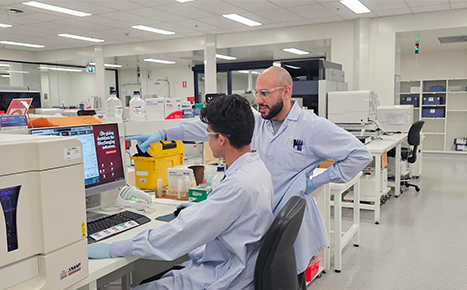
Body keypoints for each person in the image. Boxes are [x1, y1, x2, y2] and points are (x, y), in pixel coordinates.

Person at [129, 66, 373, 289]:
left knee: (282, 278)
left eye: (265, 93)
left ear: (286, 92)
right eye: (257, 93)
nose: (258, 101)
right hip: (254, 225)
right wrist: (164, 132)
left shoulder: (312, 126)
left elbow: (359, 154)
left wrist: (313, 183)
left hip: (281, 230)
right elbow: (206, 128)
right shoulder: (258, 122)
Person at [88, 95, 275, 290]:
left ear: (221, 139)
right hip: (235, 264)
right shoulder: (256, 168)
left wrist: (115, 248)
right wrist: (200, 209)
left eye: (209, 134)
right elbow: (226, 212)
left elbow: (179, 234)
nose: (207, 139)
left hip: (222, 275)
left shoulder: (238, 184)